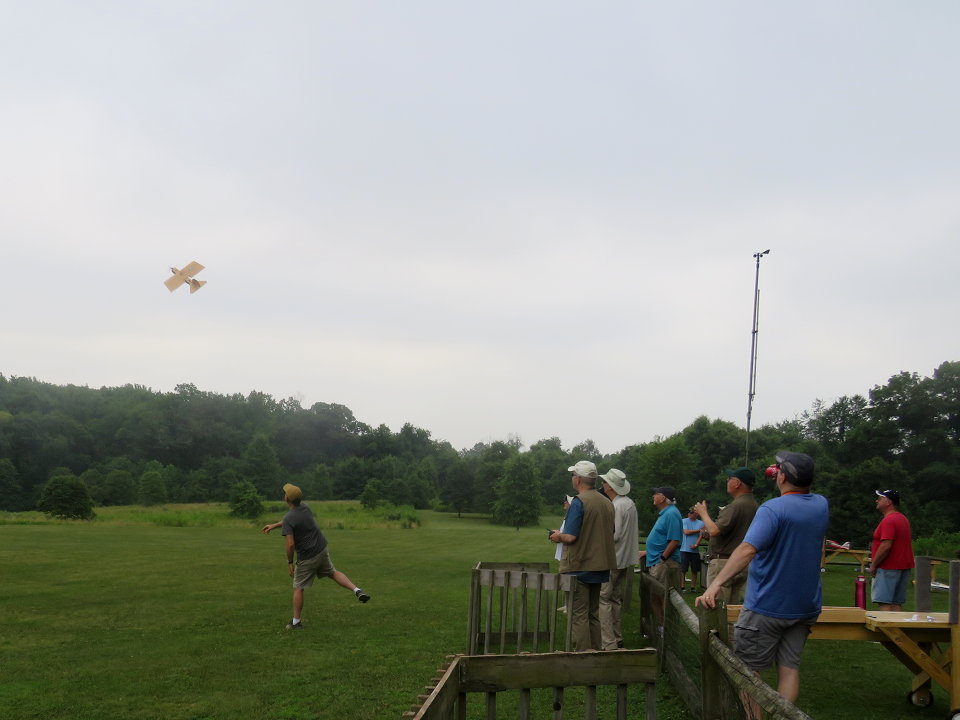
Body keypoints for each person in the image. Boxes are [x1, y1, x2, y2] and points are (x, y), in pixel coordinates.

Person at [696, 451, 829, 713]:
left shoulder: (772, 509)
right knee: (789, 669)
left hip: (766, 606)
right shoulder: (821, 505)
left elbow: (747, 549)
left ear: (782, 477)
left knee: (748, 674)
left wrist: (715, 584)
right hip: (805, 606)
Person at [262, 483, 370, 629]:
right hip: (321, 549)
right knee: (332, 572)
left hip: (307, 557)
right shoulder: (305, 507)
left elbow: (290, 545)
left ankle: (296, 623)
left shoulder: (289, 518)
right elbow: (291, 521)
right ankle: (357, 590)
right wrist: (274, 525)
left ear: (287, 498)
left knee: (298, 587)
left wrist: (289, 562)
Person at [549, 460, 616, 651]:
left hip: (579, 567)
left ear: (578, 479)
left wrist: (557, 536)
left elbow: (570, 537)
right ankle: (596, 653)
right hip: (600, 566)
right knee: (593, 614)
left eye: (573, 475)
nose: (572, 478)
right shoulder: (607, 502)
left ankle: (583, 657)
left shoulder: (579, 502)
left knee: (578, 615)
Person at [694, 467, 758, 605]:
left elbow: (714, 531)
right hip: (743, 563)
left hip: (723, 564)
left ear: (737, 483)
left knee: (716, 607)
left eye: (729, 479)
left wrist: (703, 513)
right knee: (734, 610)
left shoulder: (735, 506)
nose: (727, 481)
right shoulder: (754, 505)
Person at [598, 468, 639, 650]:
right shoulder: (629, 503)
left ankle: (608, 642)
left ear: (610, 486)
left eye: (604, 482)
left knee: (603, 599)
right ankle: (617, 637)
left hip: (613, 559)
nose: (602, 484)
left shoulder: (617, 505)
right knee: (614, 599)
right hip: (624, 559)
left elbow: (615, 534)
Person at [870, 489, 915, 611]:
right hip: (903, 566)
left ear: (889, 502)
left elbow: (886, 545)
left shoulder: (889, 520)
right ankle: (897, 624)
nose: (877, 501)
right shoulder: (902, 518)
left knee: (884, 602)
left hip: (888, 567)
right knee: (896, 603)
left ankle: (885, 623)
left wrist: (874, 564)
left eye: (880, 498)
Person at [680, 506, 705, 593]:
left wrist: (696, 545)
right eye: (689, 512)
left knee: (695, 569)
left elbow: (701, 536)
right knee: (683, 569)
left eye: (691, 513)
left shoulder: (701, 523)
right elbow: (686, 532)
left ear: (696, 514)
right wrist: (699, 530)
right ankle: (682, 586)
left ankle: (693, 587)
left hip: (695, 550)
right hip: (684, 549)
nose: (689, 514)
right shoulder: (684, 521)